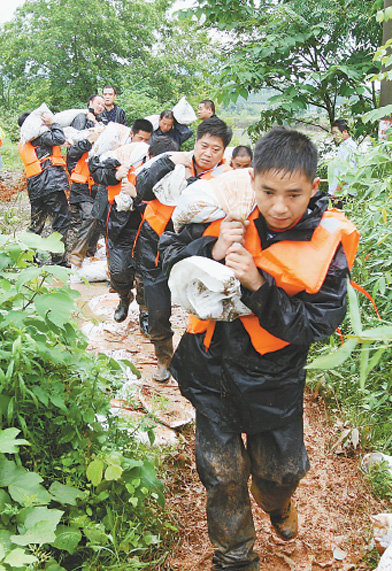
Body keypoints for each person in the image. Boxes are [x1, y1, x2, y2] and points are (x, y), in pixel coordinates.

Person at [159, 127, 359, 570]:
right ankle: (235, 557)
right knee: (223, 474)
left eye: (294, 194)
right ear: (252, 183)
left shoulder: (327, 245)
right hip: (210, 369)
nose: (279, 206)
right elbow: (166, 258)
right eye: (267, 191)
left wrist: (256, 285)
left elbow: (317, 323)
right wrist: (209, 247)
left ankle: (276, 502)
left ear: (313, 188)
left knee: (280, 473)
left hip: (275, 380)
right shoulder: (224, 213)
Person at [136, 117, 233, 383]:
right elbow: (142, 189)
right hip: (154, 241)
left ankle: (197, 360)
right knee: (157, 308)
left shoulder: (227, 178)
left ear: (224, 152)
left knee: (203, 307)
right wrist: (168, 162)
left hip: (194, 248)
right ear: (196, 142)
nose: (208, 154)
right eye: (204, 146)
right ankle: (164, 356)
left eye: (216, 149)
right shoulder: (172, 161)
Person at [89, 118, 154, 325]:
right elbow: (96, 170)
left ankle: (145, 312)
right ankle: (124, 297)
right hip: (117, 223)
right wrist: (116, 175)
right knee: (119, 270)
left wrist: (137, 196)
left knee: (146, 273)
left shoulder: (152, 160)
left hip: (144, 222)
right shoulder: (114, 154)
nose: (142, 143)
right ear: (132, 136)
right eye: (140, 138)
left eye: (147, 140)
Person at [18, 111, 70, 264]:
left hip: (35, 186)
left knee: (36, 224)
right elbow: (60, 138)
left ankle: (28, 259)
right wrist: (54, 123)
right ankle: (59, 261)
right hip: (51, 183)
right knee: (60, 222)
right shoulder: (41, 136)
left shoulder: (24, 141)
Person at [67, 94, 106, 267]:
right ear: (90, 103)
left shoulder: (104, 128)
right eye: (99, 103)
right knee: (91, 215)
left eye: (103, 105)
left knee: (98, 219)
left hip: (97, 184)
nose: (101, 106)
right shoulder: (81, 123)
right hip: (81, 184)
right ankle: (76, 255)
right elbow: (72, 153)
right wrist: (90, 140)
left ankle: (90, 253)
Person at [328, 119, 357, 198]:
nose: (334, 136)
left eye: (336, 133)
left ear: (345, 132)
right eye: (333, 134)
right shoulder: (343, 146)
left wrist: (337, 191)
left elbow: (348, 173)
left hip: (344, 194)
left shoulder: (349, 148)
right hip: (340, 192)